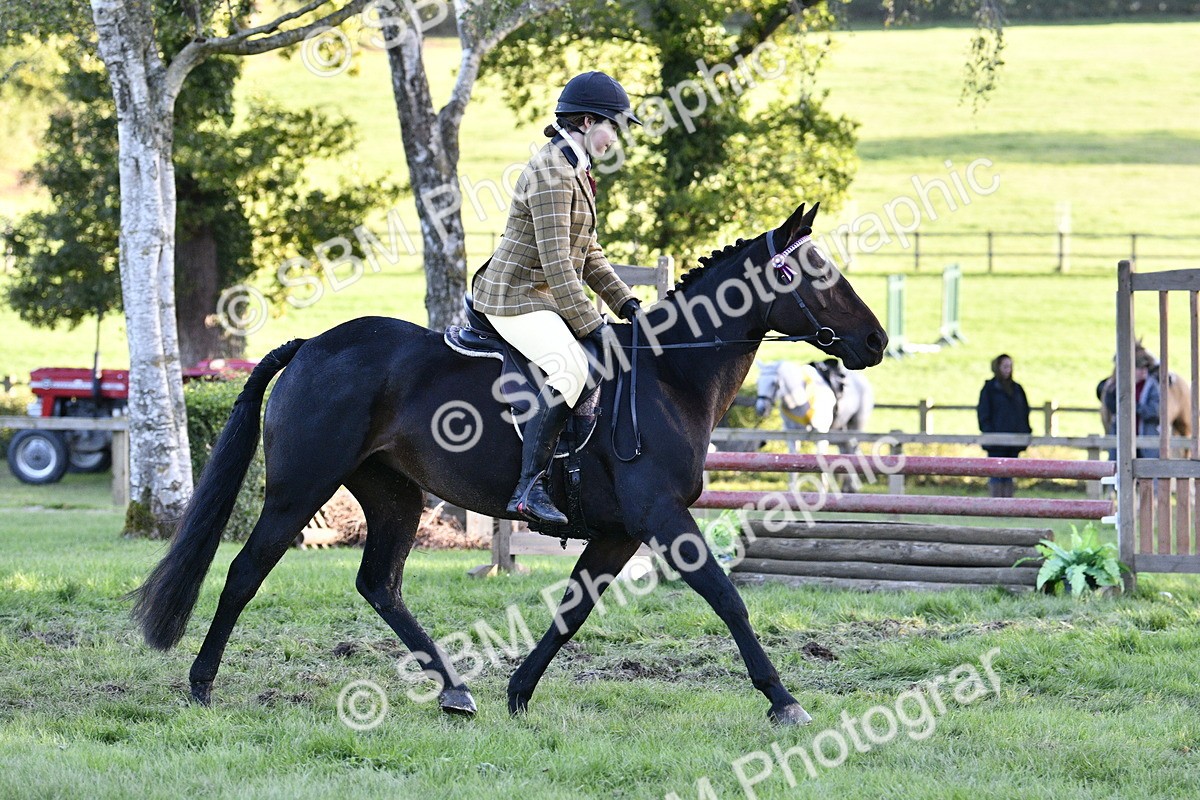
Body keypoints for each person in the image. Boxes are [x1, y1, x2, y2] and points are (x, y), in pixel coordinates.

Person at [470, 71, 643, 525]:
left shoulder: (577, 168)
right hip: (514, 295)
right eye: (615, 127)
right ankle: (529, 489)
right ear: (587, 121)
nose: (617, 139)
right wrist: (594, 326)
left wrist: (628, 305)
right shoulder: (552, 173)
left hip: (543, 292)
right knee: (574, 369)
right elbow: (557, 265)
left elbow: (587, 255)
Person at [977, 354, 1031, 497]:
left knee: (1010, 474)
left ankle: (1008, 506)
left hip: (1014, 441)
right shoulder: (989, 389)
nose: (1008, 370)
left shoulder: (1017, 389)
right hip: (995, 441)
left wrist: (1024, 432)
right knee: (996, 474)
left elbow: (1024, 411)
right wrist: (990, 433)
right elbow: (983, 413)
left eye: (1010, 366)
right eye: (1005, 366)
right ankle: (996, 505)